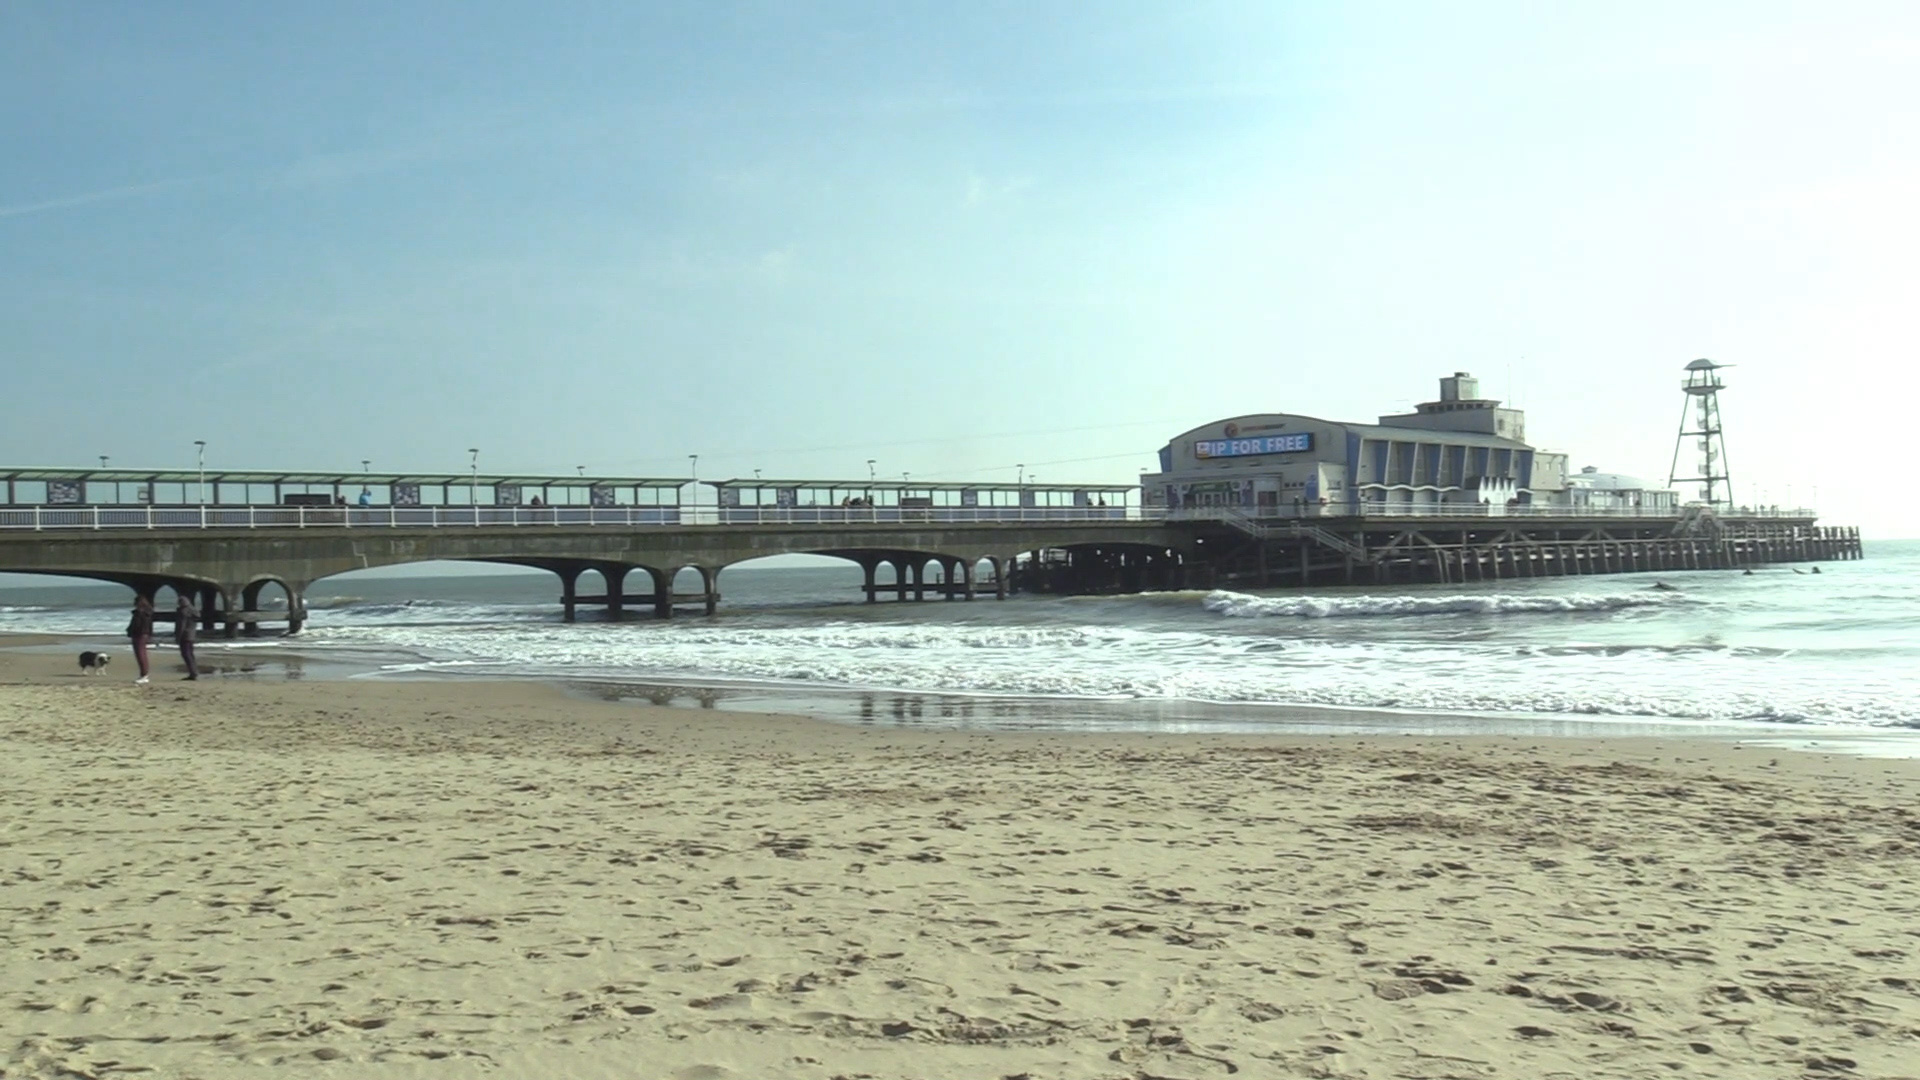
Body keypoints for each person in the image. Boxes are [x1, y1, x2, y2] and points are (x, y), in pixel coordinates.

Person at [126, 595, 154, 685]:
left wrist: (130, 631)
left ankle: (144, 675)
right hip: (144, 634)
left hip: (139, 634)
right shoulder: (147, 612)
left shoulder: (140, 613)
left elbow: (136, 625)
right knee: (142, 654)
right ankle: (144, 674)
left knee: (140, 655)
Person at [175, 594, 200, 681]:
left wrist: (178, 637)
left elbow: (181, 625)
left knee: (186, 655)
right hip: (192, 634)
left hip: (185, 635)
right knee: (190, 654)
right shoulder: (193, 610)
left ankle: (193, 673)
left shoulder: (183, 612)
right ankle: (194, 672)